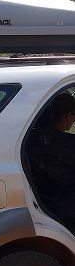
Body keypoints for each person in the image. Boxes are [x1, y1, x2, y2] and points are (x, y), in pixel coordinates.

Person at [29, 91, 75, 226]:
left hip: (47, 199)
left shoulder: (36, 137)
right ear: (67, 115)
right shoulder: (64, 144)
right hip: (63, 203)